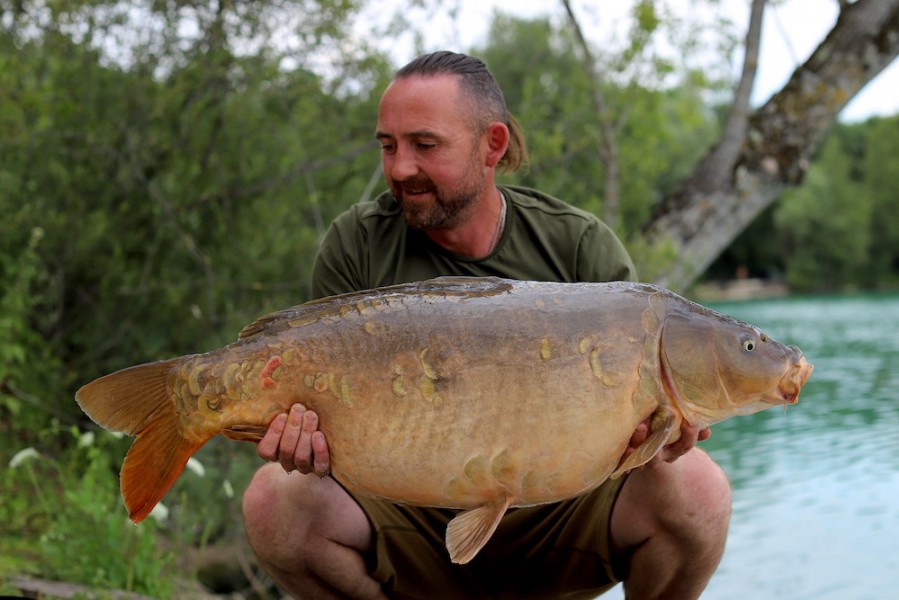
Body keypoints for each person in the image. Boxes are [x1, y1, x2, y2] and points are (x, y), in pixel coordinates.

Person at [241, 51, 731, 600]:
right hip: (408, 515)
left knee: (700, 489)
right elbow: (319, 414)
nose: (401, 167)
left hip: (562, 517)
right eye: (388, 146)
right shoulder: (357, 244)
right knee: (274, 501)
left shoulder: (578, 247)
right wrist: (304, 439)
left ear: (492, 145)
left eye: (425, 145)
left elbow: (641, 428)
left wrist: (663, 436)